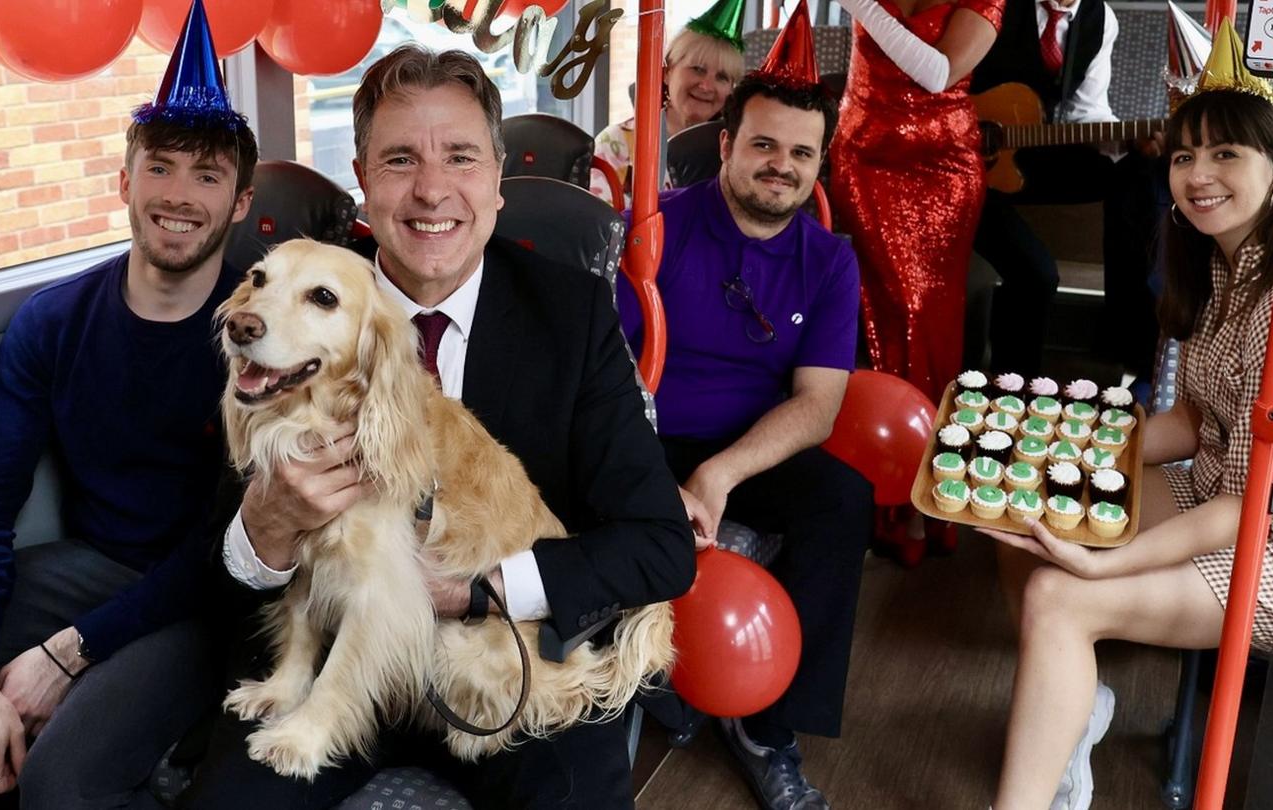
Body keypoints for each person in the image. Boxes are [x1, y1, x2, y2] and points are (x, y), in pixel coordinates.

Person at [175, 44, 694, 810]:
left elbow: (659, 547)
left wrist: (472, 592)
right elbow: (217, 557)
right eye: (398, 160)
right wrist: (268, 528)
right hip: (322, 655)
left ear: (495, 178)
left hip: (498, 657)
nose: (430, 189)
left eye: (459, 157)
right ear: (361, 179)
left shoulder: (573, 314)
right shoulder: (288, 302)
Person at [0, 11, 259, 806]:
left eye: (207, 176)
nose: (178, 196)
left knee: (59, 782)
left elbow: (234, 544)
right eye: (161, 168)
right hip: (87, 570)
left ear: (241, 202)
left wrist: (68, 656)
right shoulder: (52, 320)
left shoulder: (265, 332)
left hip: (207, 600)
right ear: (124, 182)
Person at [981, 71, 1273, 809]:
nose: (1198, 175)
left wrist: (1095, 565)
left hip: (1271, 545)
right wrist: (1060, 442)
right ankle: (1072, 707)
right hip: (1213, 493)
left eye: (1224, 155)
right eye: (1183, 157)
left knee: (1062, 593)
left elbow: (1246, 508)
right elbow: (1188, 422)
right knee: (1029, 505)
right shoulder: (1215, 265)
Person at [618, 63, 873, 810]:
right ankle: (643, 686)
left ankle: (768, 726)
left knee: (841, 500)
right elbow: (606, 384)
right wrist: (648, 474)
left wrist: (720, 475)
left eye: (802, 154)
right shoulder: (653, 231)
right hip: (646, 434)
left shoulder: (829, 262)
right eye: (764, 145)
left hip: (747, 445)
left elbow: (819, 406)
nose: (781, 167)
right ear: (726, 145)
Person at [969, 0, 1164, 381]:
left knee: (1140, 170)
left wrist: (1125, 139)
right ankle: (1012, 389)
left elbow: (1085, 113)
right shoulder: (996, 4)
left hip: (1026, 157)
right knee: (1036, 273)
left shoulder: (1100, 19)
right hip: (964, 161)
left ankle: (1126, 347)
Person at [829, 0, 1003, 399]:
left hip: (940, 171)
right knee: (875, 300)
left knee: (922, 310)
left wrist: (861, 6)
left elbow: (938, 72)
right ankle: (868, 416)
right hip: (862, 158)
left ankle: (922, 421)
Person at [590, 0, 747, 205]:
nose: (707, 86)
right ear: (667, 72)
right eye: (697, 69)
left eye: (722, 77)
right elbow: (597, 229)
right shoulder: (616, 144)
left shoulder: (737, 150)